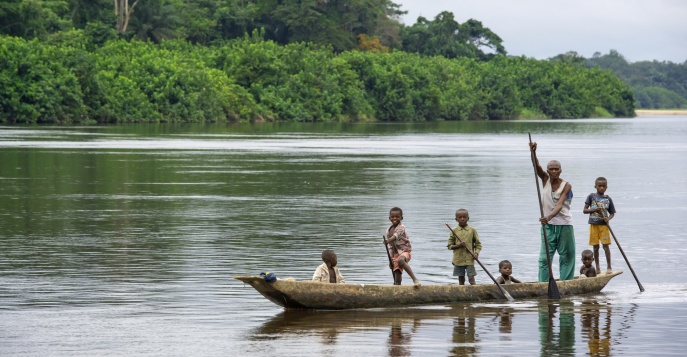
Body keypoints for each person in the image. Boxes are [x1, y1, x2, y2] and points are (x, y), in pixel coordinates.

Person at [529, 141, 576, 282]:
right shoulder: (545, 179)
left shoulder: (566, 185)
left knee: (567, 256)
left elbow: (560, 205)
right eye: (551, 169)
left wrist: (548, 217)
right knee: (545, 258)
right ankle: (543, 284)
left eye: (556, 169)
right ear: (548, 171)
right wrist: (533, 152)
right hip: (548, 226)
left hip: (564, 225)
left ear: (560, 170)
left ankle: (566, 282)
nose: (554, 171)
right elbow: (536, 167)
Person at [583, 177, 616, 274]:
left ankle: (609, 267)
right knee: (595, 247)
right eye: (599, 186)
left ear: (606, 187)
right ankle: (597, 267)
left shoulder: (608, 199)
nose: (601, 188)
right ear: (596, 186)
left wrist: (608, 219)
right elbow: (585, 210)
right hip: (594, 225)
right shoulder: (591, 196)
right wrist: (594, 210)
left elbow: (612, 213)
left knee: (606, 246)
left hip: (604, 226)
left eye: (603, 186)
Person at [384, 207, 421, 286]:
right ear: (389, 218)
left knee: (401, 261)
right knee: (397, 278)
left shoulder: (401, 227)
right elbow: (390, 247)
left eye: (397, 217)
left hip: (404, 252)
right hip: (395, 255)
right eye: (393, 217)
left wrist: (388, 241)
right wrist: (391, 259)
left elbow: (396, 236)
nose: (395, 218)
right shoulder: (388, 230)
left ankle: (415, 279)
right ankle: (397, 289)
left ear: (401, 218)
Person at [448, 208, 482, 285]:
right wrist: (459, 245)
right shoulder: (454, 231)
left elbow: (478, 244)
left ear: (468, 218)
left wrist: (476, 253)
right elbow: (450, 246)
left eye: (464, 217)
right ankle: (462, 293)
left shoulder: (472, 230)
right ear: (456, 219)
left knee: (471, 277)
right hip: (458, 260)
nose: (462, 219)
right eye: (460, 217)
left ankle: (474, 293)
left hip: (470, 258)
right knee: (461, 279)